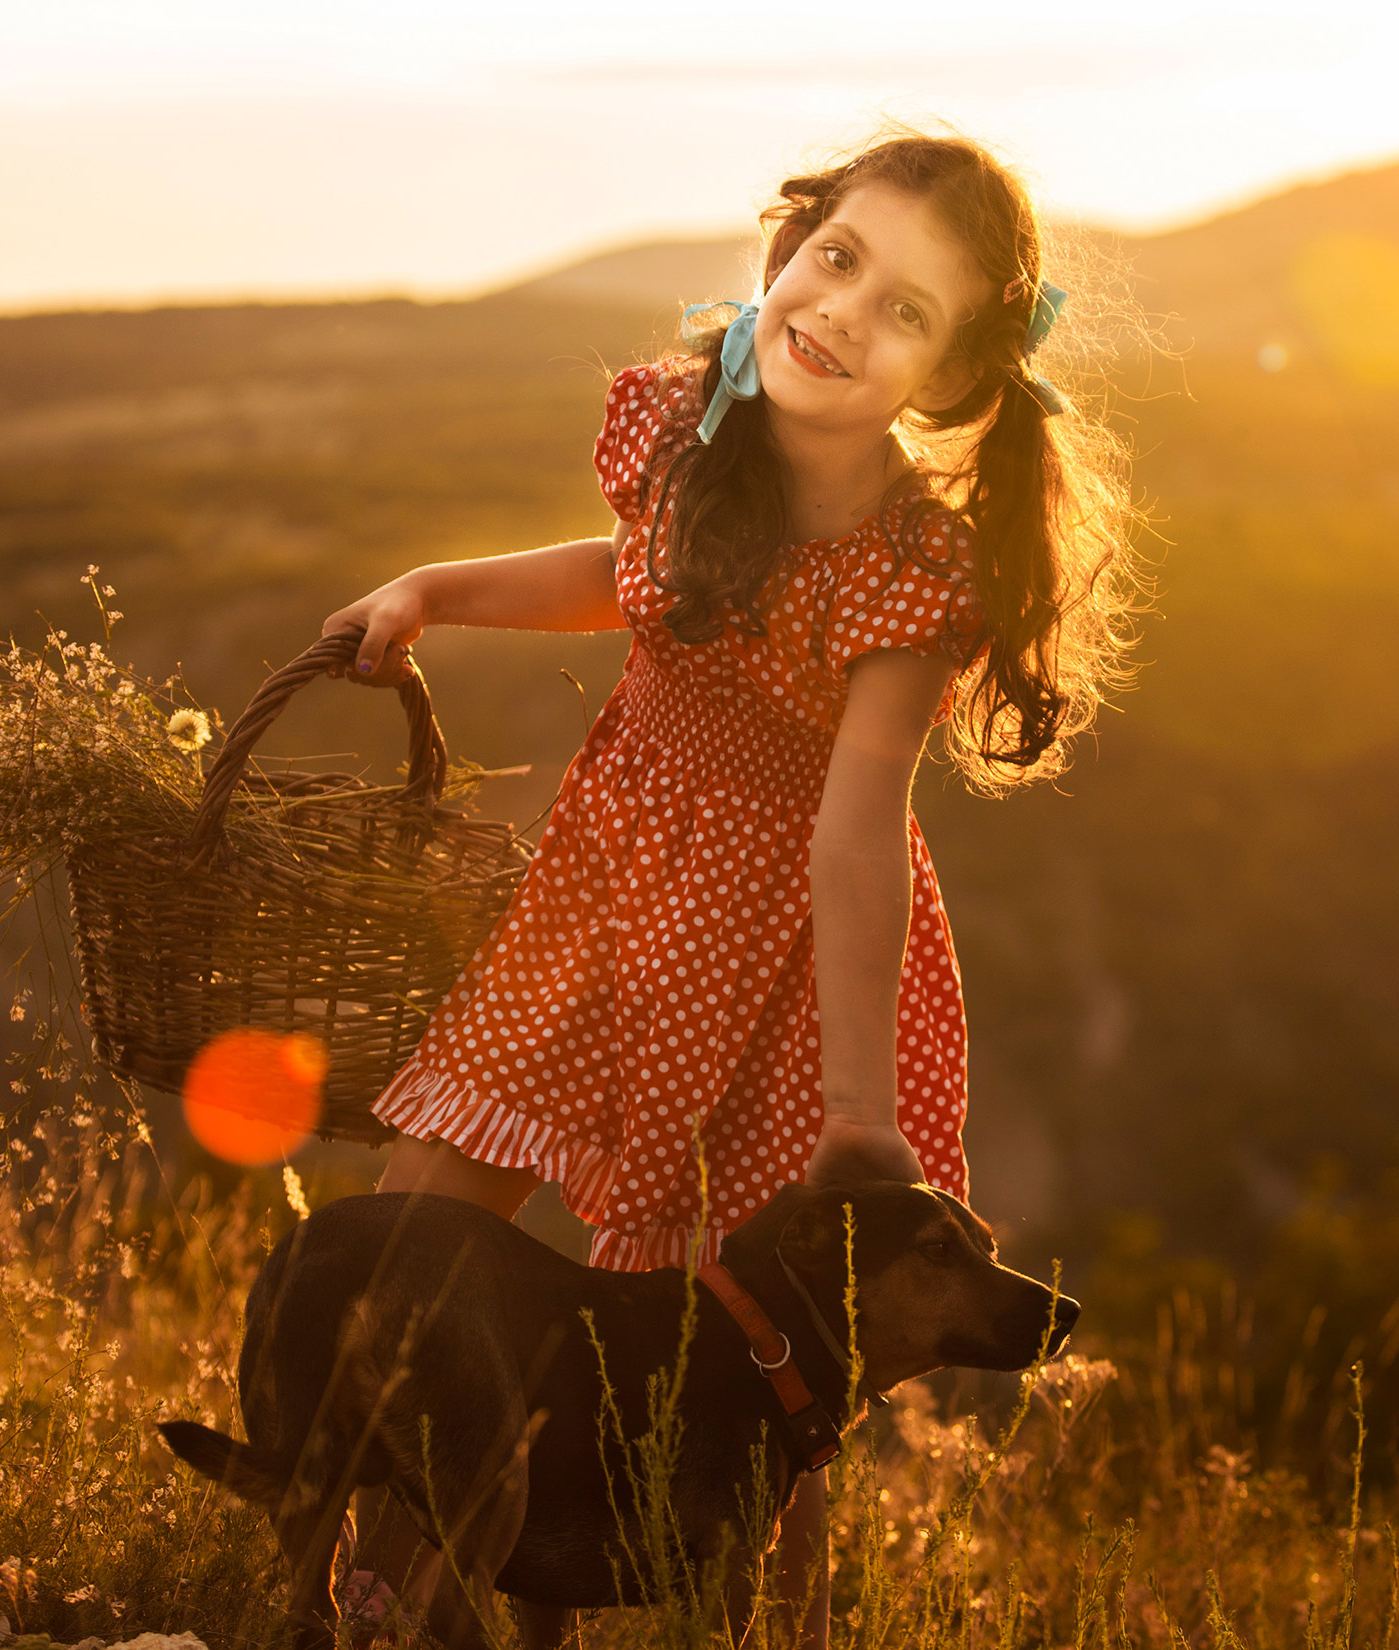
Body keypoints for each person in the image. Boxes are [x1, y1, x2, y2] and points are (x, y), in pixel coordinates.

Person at [320, 129, 1136, 1648]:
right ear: (789, 249)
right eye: (841, 262)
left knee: (750, 1334)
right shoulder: (686, 427)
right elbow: (635, 574)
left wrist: (852, 1108)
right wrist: (437, 589)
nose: (844, 316)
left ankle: (777, 1619)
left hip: (784, 953)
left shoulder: (912, 568)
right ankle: (395, 1565)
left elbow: (854, 829)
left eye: (908, 312)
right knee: (417, 1210)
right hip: (609, 892)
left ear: (952, 378)